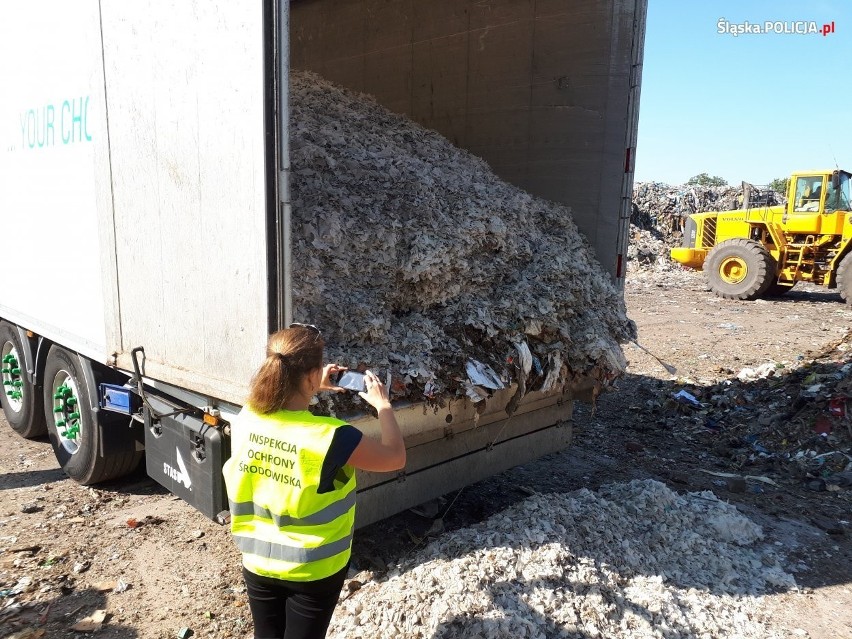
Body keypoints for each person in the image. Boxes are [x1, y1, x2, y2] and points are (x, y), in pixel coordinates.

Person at [222, 323, 406, 639]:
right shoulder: (332, 436)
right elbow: (395, 458)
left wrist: (312, 384)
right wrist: (383, 405)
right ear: (310, 374)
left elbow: (282, 398)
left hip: (257, 562)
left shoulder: (247, 416)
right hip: (313, 569)